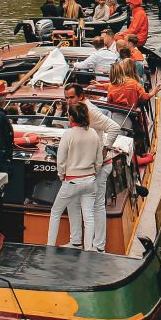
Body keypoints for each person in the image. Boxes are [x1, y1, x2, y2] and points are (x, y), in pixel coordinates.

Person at [64, 83, 121, 245]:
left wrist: (103, 151)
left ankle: (99, 245)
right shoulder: (77, 110)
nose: (68, 101)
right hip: (84, 166)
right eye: (66, 98)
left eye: (71, 97)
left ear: (81, 96)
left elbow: (114, 127)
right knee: (73, 202)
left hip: (98, 166)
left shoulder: (90, 111)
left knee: (96, 205)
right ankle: (76, 242)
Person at [49, 101, 101, 250]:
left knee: (56, 212)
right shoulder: (93, 134)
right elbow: (99, 160)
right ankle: (87, 248)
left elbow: (61, 160)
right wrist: (93, 173)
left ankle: (49, 246)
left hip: (72, 181)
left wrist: (62, 175)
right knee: (88, 216)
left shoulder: (68, 134)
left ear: (70, 117)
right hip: (90, 180)